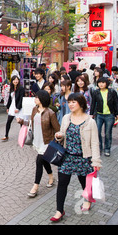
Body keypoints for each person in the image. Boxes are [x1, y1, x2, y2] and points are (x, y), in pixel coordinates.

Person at [50, 93, 101, 222]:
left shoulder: (90, 121)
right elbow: (62, 136)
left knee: (85, 184)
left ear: (81, 104)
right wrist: (59, 137)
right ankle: (59, 211)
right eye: (69, 102)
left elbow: (95, 143)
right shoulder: (66, 118)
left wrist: (96, 162)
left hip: (83, 158)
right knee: (62, 184)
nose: (71, 104)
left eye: (74, 102)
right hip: (67, 158)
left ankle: (87, 200)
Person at [18, 90, 60, 198]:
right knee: (44, 160)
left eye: (36, 97)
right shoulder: (34, 110)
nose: (35, 99)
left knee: (39, 161)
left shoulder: (50, 113)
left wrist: (57, 142)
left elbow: (57, 129)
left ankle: (35, 186)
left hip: (46, 142)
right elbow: (31, 124)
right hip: (37, 141)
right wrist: (22, 122)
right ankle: (51, 177)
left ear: (41, 99)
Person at [89, 77, 118, 157]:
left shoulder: (112, 92)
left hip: (109, 115)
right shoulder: (96, 92)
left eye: (103, 82)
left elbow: (116, 103)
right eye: (99, 82)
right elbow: (93, 103)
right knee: (97, 132)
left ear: (106, 83)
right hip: (99, 115)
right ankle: (99, 148)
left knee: (107, 132)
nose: (101, 84)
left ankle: (107, 148)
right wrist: (91, 113)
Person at [2, 75, 24, 141]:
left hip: (18, 107)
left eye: (17, 80)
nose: (15, 81)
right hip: (12, 107)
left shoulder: (21, 88)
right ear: (12, 81)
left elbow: (21, 99)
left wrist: (18, 108)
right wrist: (8, 107)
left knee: (20, 122)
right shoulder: (11, 88)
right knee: (9, 121)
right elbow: (9, 99)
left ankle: (22, 136)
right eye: (14, 80)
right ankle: (6, 135)